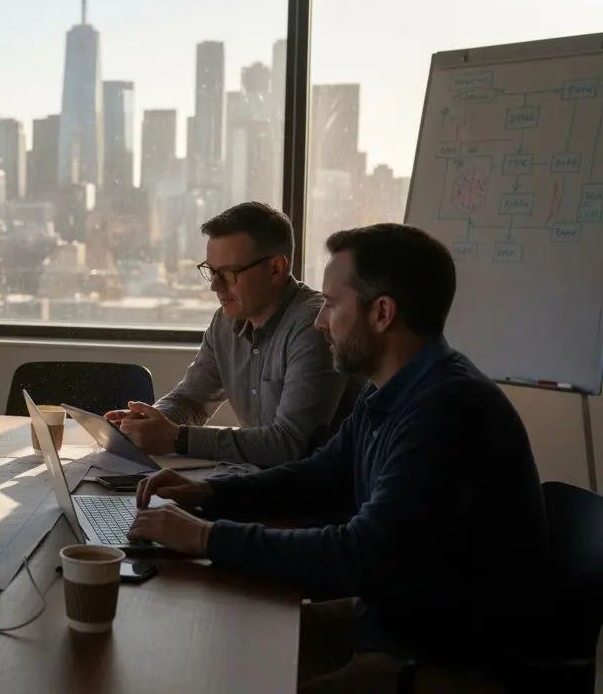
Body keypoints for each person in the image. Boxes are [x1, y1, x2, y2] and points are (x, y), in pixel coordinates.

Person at [127, 223, 548, 692]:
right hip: (391, 619)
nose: (319, 320)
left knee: (234, 673)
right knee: (217, 649)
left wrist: (207, 538)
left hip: (441, 656)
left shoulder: (446, 411)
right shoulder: (392, 390)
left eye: (331, 304)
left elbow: (358, 554)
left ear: (382, 313)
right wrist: (208, 493)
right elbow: (319, 475)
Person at [106, 202, 360, 467]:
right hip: (257, 483)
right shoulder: (226, 322)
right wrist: (146, 424)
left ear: (276, 268)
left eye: (229, 273)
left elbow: (289, 445)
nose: (215, 286)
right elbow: (191, 401)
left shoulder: (314, 327)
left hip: (312, 496)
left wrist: (177, 439)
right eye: (212, 271)